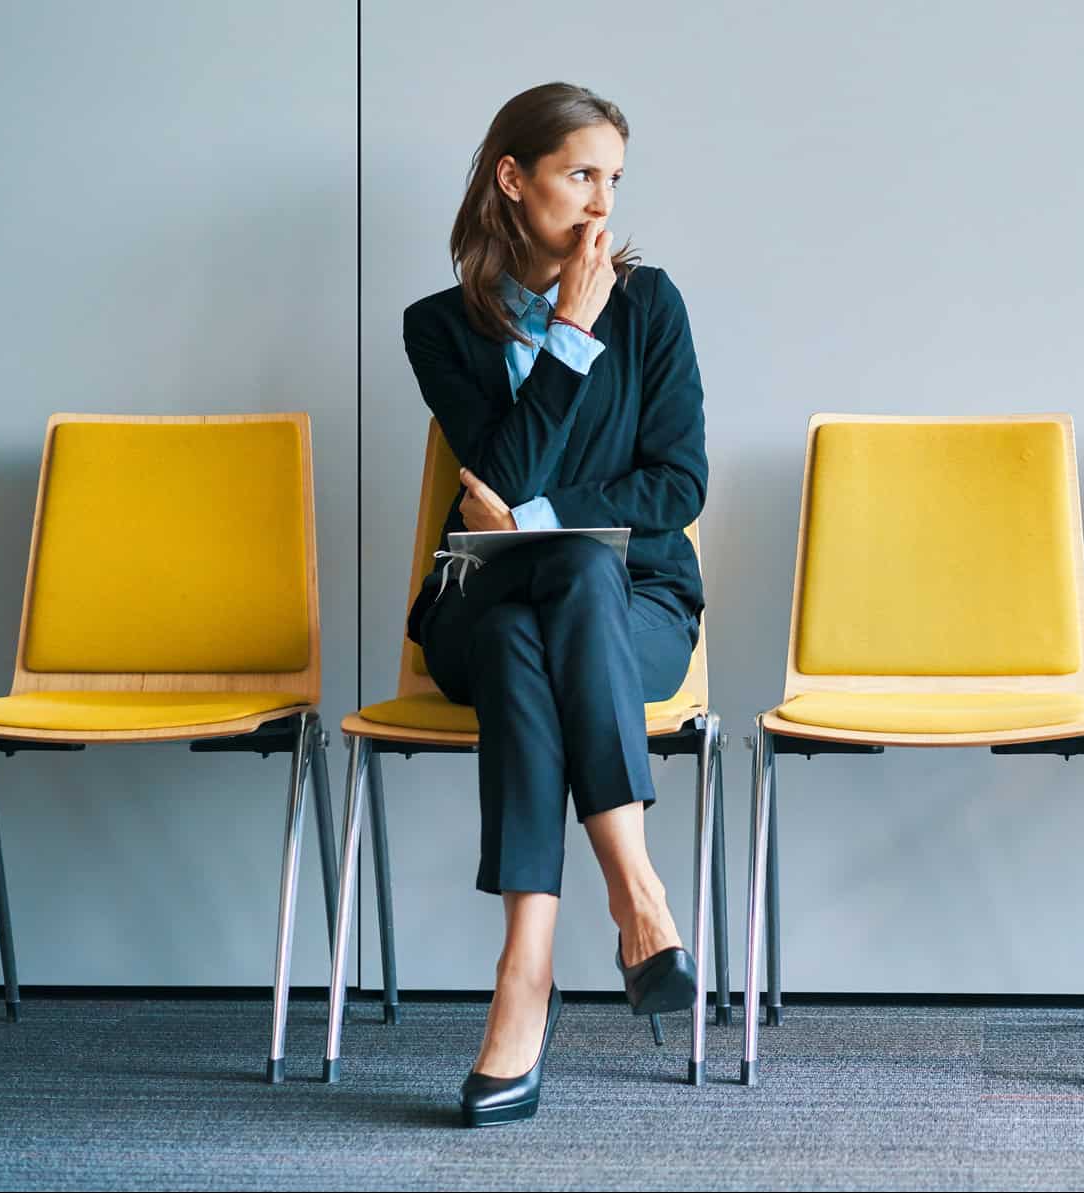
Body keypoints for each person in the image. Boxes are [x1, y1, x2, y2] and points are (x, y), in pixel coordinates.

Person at [401, 81, 707, 1127]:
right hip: (474, 604)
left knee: (569, 580)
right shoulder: (440, 329)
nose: (599, 205)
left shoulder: (654, 304)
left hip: (635, 610)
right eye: (581, 175)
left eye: (614, 180)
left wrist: (532, 519)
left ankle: (523, 969)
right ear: (512, 178)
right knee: (542, 593)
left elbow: (678, 486)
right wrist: (571, 334)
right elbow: (497, 461)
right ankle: (638, 897)